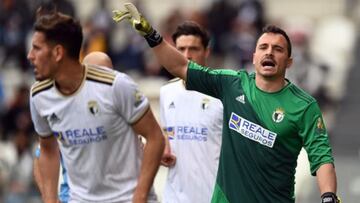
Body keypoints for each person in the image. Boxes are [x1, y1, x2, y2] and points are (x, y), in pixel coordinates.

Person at [112, 3, 340, 203]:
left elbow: (321, 158)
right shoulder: (232, 84)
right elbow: (180, 67)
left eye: (278, 49)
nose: (269, 52)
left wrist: (328, 196)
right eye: (263, 47)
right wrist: (150, 34)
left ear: (288, 61)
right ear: (254, 57)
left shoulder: (304, 106)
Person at [28, 9, 164, 203]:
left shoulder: (115, 86)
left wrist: (140, 196)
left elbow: (155, 137)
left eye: (36, 48)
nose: (29, 56)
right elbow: (47, 151)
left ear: (58, 53)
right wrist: (50, 200)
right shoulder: (39, 96)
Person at [32, 51, 115, 203]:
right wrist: (50, 197)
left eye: (107, 75)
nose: (102, 81)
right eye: (97, 74)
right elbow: (41, 156)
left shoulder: (122, 112)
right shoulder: (66, 116)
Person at [160, 21, 223, 203]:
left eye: (194, 49)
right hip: (174, 196)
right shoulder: (166, 92)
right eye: (181, 49)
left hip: (211, 196)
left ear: (207, 52)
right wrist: (161, 151)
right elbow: (165, 133)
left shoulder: (222, 94)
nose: (187, 55)